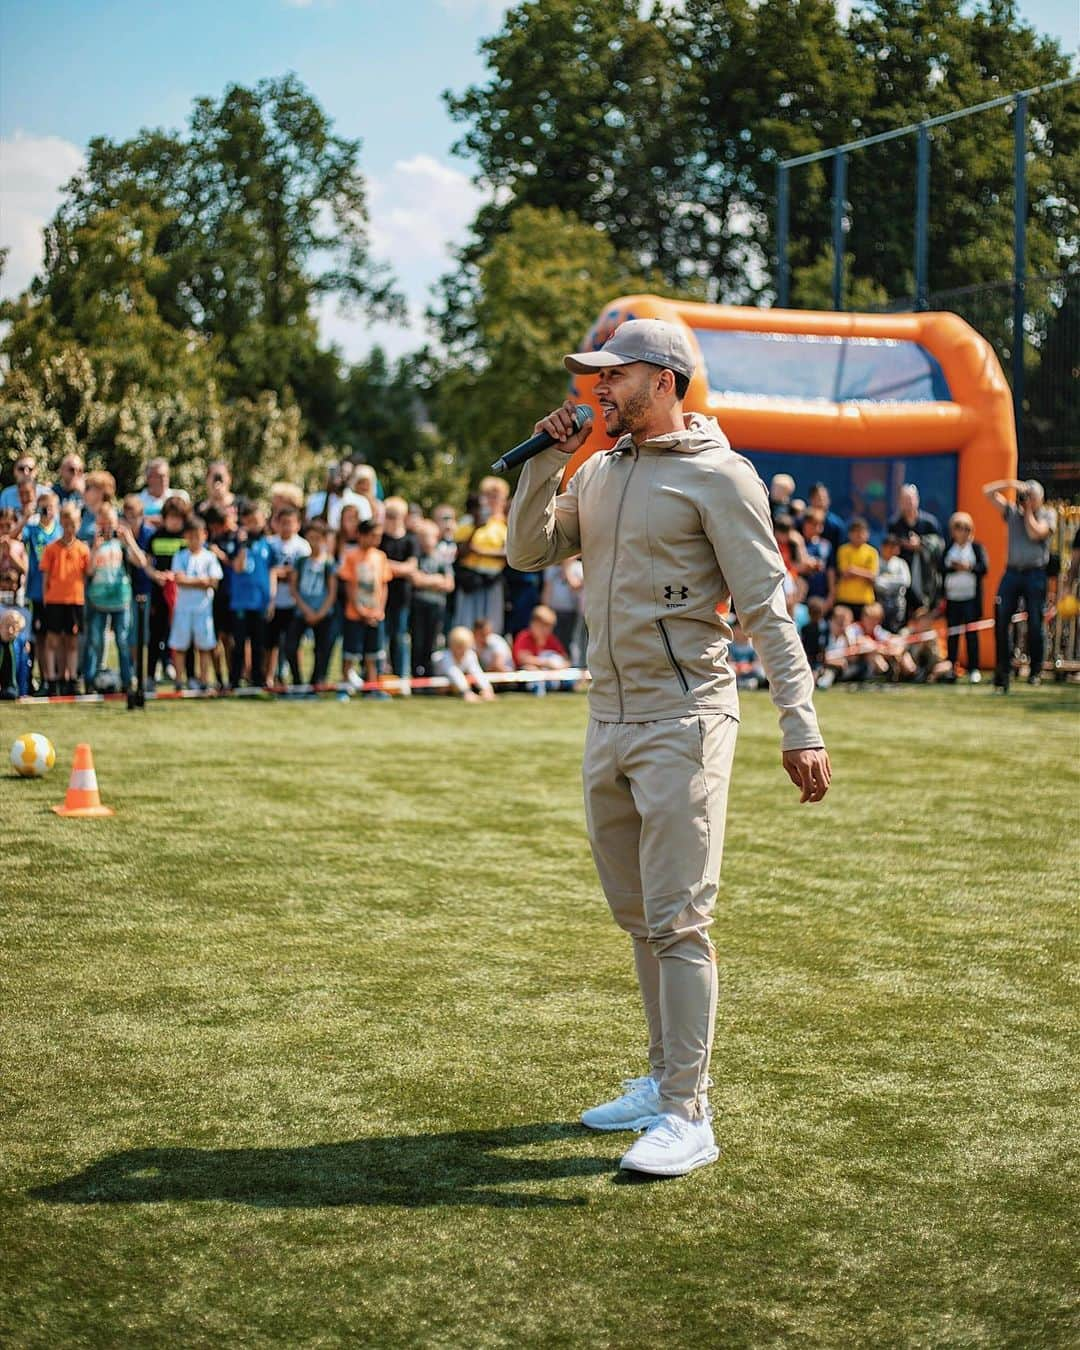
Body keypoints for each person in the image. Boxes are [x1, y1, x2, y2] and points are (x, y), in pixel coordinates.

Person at [507, 317, 829, 1177]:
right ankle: (660, 1082)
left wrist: (799, 724)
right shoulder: (602, 471)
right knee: (639, 919)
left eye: (612, 377)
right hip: (606, 720)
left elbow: (767, 609)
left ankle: (690, 1112)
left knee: (681, 920)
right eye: (594, 378)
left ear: (665, 378)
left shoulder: (721, 477)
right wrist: (544, 460)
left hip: (685, 721)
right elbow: (526, 550)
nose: (597, 390)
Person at [983, 477, 1056, 691]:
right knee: (1001, 618)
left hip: (1035, 574)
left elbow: (1035, 533)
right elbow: (987, 492)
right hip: (1012, 572)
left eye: (1032, 496)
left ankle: (1035, 671)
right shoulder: (1012, 512)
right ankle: (1003, 672)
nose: (1027, 499)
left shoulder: (1047, 515)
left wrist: (1029, 511)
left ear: (1040, 499)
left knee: (1035, 623)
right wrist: (1011, 484)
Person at [84, 503, 146, 692]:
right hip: (98, 600)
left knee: (123, 640)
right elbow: (89, 571)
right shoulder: (92, 542)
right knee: (95, 640)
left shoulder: (122, 543)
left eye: (110, 523)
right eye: (102, 523)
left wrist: (129, 540)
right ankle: (90, 680)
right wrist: (95, 548)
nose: (106, 528)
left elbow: (141, 562)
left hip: (121, 600)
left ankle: (128, 680)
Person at [164, 515, 223, 690]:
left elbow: (213, 582)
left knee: (204, 647)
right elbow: (179, 580)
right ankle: (179, 681)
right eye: (190, 536)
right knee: (180, 646)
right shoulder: (180, 556)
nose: (194, 540)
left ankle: (204, 680)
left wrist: (193, 581)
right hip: (183, 608)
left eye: (197, 536)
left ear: (204, 535)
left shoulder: (210, 557)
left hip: (203, 609)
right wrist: (200, 582)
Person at [39, 503, 91, 695]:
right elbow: (45, 577)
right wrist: (46, 597)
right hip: (54, 600)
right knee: (52, 640)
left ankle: (71, 679)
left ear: (78, 524)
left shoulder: (83, 549)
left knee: (72, 641)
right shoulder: (51, 549)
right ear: (61, 523)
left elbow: (88, 573)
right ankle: (52, 680)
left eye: (73, 524)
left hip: (75, 601)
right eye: (66, 524)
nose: (69, 528)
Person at [336, 516, 391, 697]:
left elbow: (383, 584)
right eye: (373, 535)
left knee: (372, 654)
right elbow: (349, 585)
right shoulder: (351, 556)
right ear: (362, 535)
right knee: (351, 652)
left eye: (379, 536)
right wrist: (359, 609)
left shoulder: (380, 557)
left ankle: (372, 687)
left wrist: (379, 610)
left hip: (375, 614)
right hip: (355, 613)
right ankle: (345, 686)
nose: (377, 539)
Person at [286, 520, 338, 686]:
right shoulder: (301, 562)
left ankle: (317, 681)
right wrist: (306, 610)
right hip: (303, 611)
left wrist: (320, 613)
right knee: (290, 645)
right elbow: (294, 588)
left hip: (323, 613)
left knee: (322, 649)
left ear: (324, 539)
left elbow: (332, 592)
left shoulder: (329, 563)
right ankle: (297, 682)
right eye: (310, 538)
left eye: (317, 538)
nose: (313, 542)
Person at [265, 504, 312, 684]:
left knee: (293, 644)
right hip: (274, 603)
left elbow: (299, 573)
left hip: (294, 603)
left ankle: (296, 679)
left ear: (298, 524)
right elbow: (268, 570)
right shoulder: (270, 543)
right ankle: (270, 678)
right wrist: (281, 573)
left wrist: (281, 573)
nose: (286, 527)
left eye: (290, 523)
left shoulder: (302, 546)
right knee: (271, 644)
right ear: (276, 524)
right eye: (283, 523)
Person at [229, 503, 274, 689]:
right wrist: (242, 546)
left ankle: (257, 680)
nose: (254, 525)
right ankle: (234, 681)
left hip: (260, 603)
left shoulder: (268, 545)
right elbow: (238, 568)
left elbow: (272, 571)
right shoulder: (238, 545)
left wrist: (271, 599)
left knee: (258, 645)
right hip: (241, 602)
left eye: (257, 521)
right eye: (250, 521)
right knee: (239, 644)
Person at [146, 496, 189, 687]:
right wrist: (156, 575)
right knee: (156, 634)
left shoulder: (187, 538)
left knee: (184, 636)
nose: (174, 521)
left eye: (178, 518)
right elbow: (147, 564)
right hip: (159, 594)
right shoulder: (155, 537)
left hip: (183, 596)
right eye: (171, 517)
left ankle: (186, 675)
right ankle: (149, 675)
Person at [941, 511, 988, 683]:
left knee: (971, 635)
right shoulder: (948, 549)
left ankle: (973, 668)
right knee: (952, 635)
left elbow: (984, 568)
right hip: (953, 599)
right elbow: (941, 569)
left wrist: (968, 567)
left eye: (966, 528)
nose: (962, 532)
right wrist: (955, 568)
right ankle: (951, 668)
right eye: (958, 528)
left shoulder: (977, 548)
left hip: (970, 599)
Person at [21, 490, 61, 689]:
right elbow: (15, 536)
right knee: (40, 638)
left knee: (58, 637)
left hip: (59, 593)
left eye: (51, 507)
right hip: (37, 593)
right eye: (44, 508)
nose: (47, 512)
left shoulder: (61, 531)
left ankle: (57, 677)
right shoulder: (33, 530)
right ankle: (43, 678)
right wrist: (26, 517)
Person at [381, 496, 419, 686]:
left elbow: (411, 567)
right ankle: (378, 676)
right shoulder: (380, 538)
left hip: (402, 597)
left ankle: (402, 677)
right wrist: (399, 569)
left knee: (400, 637)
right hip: (380, 596)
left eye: (396, 515)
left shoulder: (410, 540)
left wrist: (387, 566)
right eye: (389, 515)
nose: (392, 519)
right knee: (381, 637)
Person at [410, 518, 454, 678]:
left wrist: (427, 580)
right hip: (419, 606)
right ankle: (416, 674)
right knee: (418, 641)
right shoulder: (417, 557)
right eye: (422, 538)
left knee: (432, 642)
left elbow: (449, 584)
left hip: (437, 606)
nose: (426, 541)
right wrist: (437, 580)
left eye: (429, 537)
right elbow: (416, 580)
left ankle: (429, 674)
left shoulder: (441, 559)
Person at [887, 484, 942, 611]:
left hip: (926, 579)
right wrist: (902, 545)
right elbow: (888, 549)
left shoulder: (930, 522)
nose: (908, 503)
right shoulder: (894, 524)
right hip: (901, 579)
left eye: (910, 499)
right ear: (899, 502)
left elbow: (940, 547)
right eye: (905, 500)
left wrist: (921, 545)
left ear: (917, 499)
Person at [512, 602, 570, 694]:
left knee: (568, 677)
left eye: (549, 627)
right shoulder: (524, 637)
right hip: (528, 672)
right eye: (543, 627)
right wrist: (546, 663)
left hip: (550, 672)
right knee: (530, 669)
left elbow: (565, 658)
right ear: (533, 624)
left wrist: (560, 665)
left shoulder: (551, 639)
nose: (546, 630)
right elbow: (522, 658)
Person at [434, 626, 496, 702]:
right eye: (458, 647)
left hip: (455, 684)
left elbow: (477, 672)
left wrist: (487, 689)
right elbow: (454, 673)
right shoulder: (445, 657)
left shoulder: (470, 654)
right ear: (451, 645)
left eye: (464, 647)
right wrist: (466, 692)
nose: (462, 651)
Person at [834, 517, 878, 619]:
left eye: (862, 532)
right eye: (855, 532)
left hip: (865, 600)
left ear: (868, 534)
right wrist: (864, 573)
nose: (859, 535)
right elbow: (845, 573)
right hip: (845, 598)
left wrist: (853, 570)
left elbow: (872, 576)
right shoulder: (843, 550)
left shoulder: (872, 552)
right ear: (849, 534)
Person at [875, 534, 911, 632]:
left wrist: (885, 580)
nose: (891, 550)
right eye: (889, 547)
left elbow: (905, 581)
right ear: (882, 547)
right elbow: (877, 583)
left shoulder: (901, 563)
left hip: (898, 606)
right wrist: (894, 580)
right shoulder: (875, 562)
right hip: (879, 606)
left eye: (894, 547)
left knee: (896, 632)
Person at [139, 458, 189, 524]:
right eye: (159, 476)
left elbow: (187, 520)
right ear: (148, 478)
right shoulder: (138, 500)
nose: (163, 480)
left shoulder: (180, 496)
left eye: (165, 476)